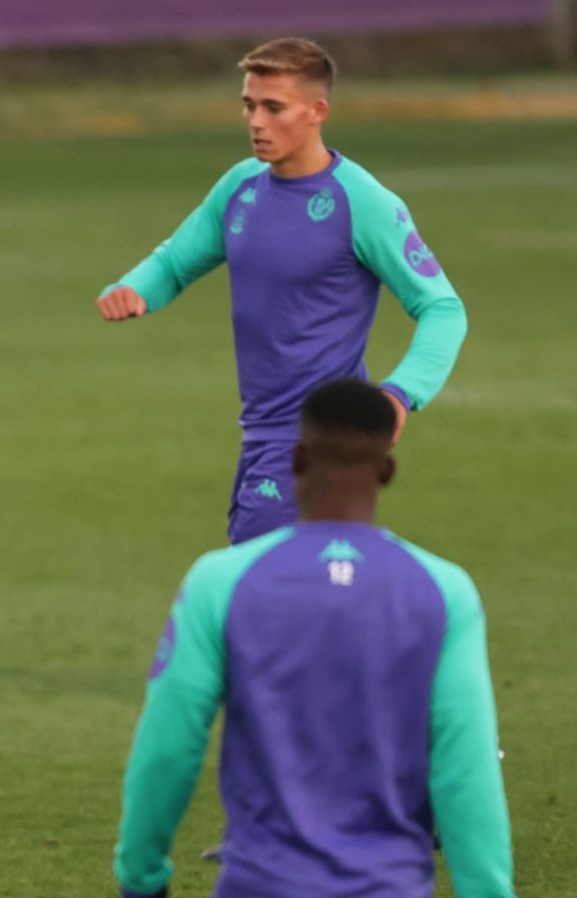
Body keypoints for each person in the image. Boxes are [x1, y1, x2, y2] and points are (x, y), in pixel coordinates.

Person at [113, 378, 518, 898]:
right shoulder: (445, 592)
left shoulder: (221, 582)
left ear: (294, 457)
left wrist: (143, 879)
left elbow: (168, 747)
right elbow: (467, 770)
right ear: (388, 470)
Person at [96, 38, 466, 544]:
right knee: (295, 605)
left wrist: (402, 393)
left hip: (316, 441)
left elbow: (443, 308)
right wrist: (134, 288)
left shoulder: (361, 202)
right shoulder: (240, 187)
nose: (256, 122)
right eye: (249, 105)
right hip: (262, 433)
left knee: (254, 600)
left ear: (318, 112)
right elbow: (174, 262)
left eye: (274, 108)